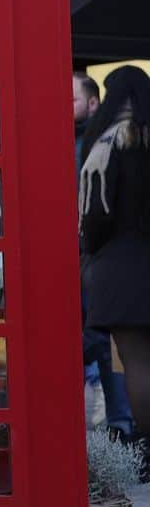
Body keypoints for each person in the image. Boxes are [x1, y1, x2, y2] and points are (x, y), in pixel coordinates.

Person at [80, 65, 150, 473]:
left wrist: (90, 251)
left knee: (137, 361)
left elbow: (96, 217)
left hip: (121, 267)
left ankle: (146, 448)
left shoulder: (105, 143)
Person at [74, 72, 134, 437]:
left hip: (103, 259)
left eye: (71, 99)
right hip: (66, 261)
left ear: (94, 102)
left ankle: (122, 426)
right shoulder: (48, 142)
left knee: (113, 346)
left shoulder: (108, 144)